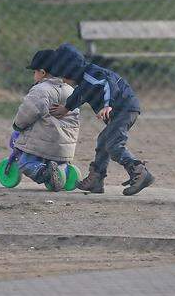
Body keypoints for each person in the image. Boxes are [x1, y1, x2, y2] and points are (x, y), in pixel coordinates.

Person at [49, 43, 154, 196]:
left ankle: (139, 172)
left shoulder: (92, 74)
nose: (63, 80)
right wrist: (66, 108)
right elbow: (80, 94)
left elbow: (108, 83)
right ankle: (96, 179)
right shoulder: (84, 80)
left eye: (63, 76)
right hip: (120, 110)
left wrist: (108, 105)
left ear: (70, 70)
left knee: (113, 144)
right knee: (103, 141)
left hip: (123, 108)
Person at [11, 49, 80, 191]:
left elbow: (26, 113)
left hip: (42, 144)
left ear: (42, 72)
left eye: (34, 72)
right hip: (65, 147)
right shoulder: (71, 90)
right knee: (58, 161)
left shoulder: (40, 90)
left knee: (25, 163)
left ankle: (45, 173)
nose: (34, 75)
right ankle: (64, 170)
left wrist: (18, 125)